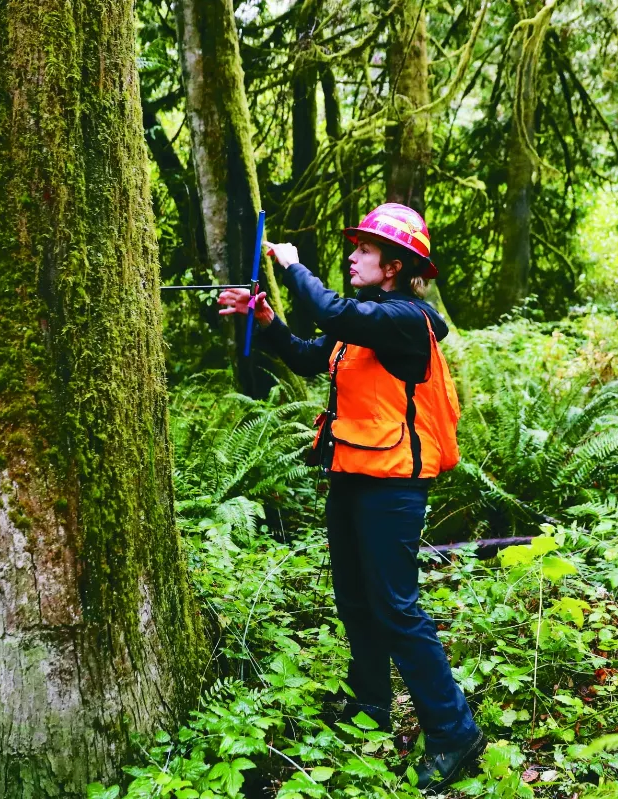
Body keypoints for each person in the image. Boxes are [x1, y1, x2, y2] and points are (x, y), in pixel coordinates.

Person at [218, 203, 486, 792]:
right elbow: (311, 354)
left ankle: (454, 730)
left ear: (394, 266)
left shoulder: (406, 319)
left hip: (394, 483)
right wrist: (266, 321)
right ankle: (370, 706)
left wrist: (292, 267)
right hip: (351, 472)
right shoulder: (363, 324)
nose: (353, 256)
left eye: (364, 249)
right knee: (355, 599)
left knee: (396, 607)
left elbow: (330, 311)